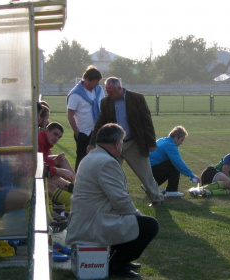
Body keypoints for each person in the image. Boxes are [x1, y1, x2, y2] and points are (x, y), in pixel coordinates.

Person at [66, 123, 159, 278]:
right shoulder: (106, 162)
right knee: (149, 226)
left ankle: (118, 259)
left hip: (85, 221)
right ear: (117, 143)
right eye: (122, 142)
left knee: (130, 221)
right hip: (92, 224)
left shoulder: (91, 157)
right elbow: (121, 201)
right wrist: (138, 216)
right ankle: (117, 265)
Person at [87, 77, 163, 207]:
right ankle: (117, 200)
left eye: (110, 91)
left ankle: (156, 199)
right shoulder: (105, 102)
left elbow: (146, 120)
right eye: (107, 91)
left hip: (134, 143)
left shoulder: (136, 98)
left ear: (119, 88)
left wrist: (151, 142)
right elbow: (100, 123)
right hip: (113, 145)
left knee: (145, 174)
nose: (108, 94)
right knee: (112, 175)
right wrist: (92, 142)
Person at [0, 100, 31, 217]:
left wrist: (7, 163)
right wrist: (9, 166)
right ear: (5, 120)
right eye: (11, 119)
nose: (12, 123)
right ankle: (28, 233)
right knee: (31, 199)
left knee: (29, 193)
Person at [67, 66, 104, 172]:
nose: (97, 84)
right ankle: (78, 185)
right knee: (82, 161)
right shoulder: (75, 94)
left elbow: (102, 107)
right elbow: (70, 115)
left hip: (97, 131)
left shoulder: (99, 90)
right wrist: (78, 134)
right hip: (83, 132)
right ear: (87, 80)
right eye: (95, 82)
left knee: (98, 160)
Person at [149, 126, 200, 197]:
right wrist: (192, 175)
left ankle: (150, 185)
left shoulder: (163, 140)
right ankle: (171, 191)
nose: (181, 143)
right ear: (176, 137)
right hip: (151, 169)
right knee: (173, 164)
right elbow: (178, 163)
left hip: (148, 169)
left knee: (171, 163)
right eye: (181, 140)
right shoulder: (170, 145)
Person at [38, 122, 76, 210]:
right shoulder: (39, 139)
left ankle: (76, 190)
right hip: (29, 177)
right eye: (55, 134)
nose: (56, 139)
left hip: (35, 172)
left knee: (62, 159)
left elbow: (42, 162)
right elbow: (37, 166)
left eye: (59, 137)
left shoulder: (44, 140)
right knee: (51, 183)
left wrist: (53, 166)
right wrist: (56, 170)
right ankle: (76, 199)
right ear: (47, 130)